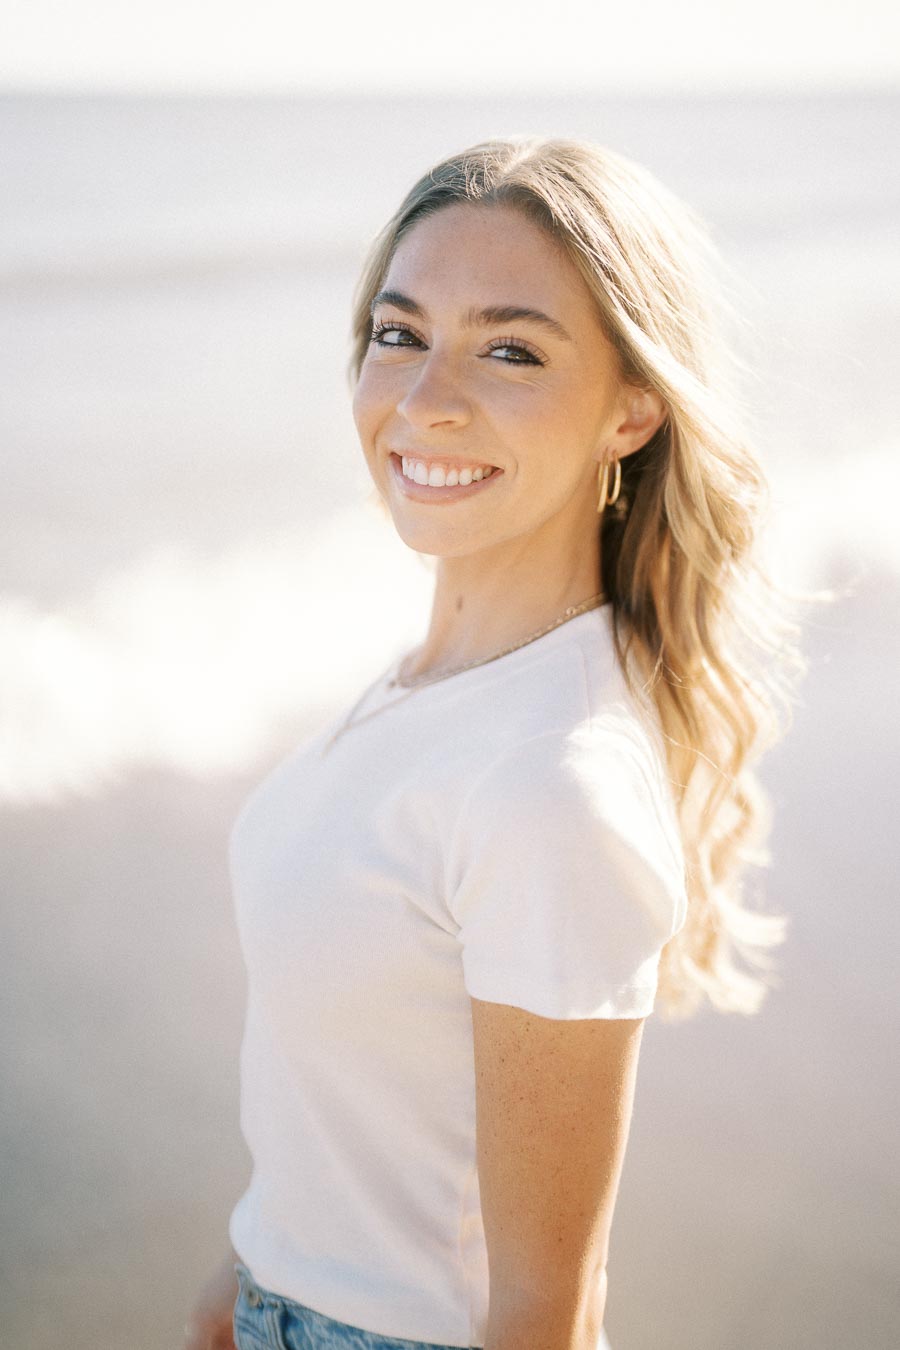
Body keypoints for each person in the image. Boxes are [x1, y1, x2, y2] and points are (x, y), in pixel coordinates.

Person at [184, 137, 797, 1350]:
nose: (424, 401)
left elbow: (545, 1314)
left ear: (633, 411)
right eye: (399, 333)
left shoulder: (549, 784)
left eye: (510, 349)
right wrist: (243, 1275)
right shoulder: (441, 678)